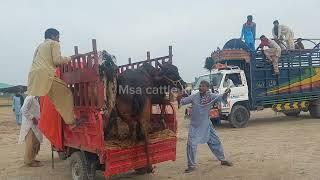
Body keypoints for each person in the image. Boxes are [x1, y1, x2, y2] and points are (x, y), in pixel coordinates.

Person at [179, 80, 233, 173]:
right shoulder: (194, 96)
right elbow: (183, 101)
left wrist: (226, 93)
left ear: (207, 88)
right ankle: (191, 166)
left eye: (203, 86)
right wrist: (178, 96)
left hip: (206, 124)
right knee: (191, 144)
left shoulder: (211, 96)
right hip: (195, 125)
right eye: (200, 86)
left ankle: (223, 160)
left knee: (216, 141)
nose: (201, 87)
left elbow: (221, 98)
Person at [27, 28, 75, 125]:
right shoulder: (54, 44)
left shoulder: (40, 46)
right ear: (53, 36)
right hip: (45, 74)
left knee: (54, 98)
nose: (59, 40)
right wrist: (71, 58)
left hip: (34, 75)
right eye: (58, 37)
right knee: (66, 93)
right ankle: (72, 122)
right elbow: (57, 61)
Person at [18, 96, 43, 167]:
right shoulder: (30, 98)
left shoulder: (37, 98)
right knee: (31, 144)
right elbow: (23, 110)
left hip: (35, 125)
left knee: (36, 142)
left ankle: (32, 158)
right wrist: (32, 118)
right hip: (30, 125)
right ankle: (29, 161)